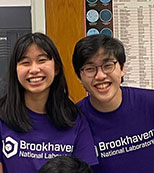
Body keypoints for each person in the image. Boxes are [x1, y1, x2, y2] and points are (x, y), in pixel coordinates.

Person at [72, 34, 154, 173]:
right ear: (79, 77)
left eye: (108, 66)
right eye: (89, 69)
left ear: (122, 68)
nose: (100, 76)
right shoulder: (74, 120)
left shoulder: (152, 104)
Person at [0, 32, 98, 172]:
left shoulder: (74, 119)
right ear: (15, 70)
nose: (34, 70)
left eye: (42, 60)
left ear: (56, 67)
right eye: (25, 62)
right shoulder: (2, 117)